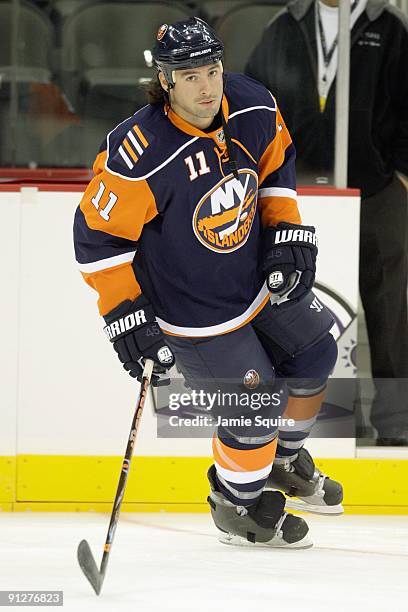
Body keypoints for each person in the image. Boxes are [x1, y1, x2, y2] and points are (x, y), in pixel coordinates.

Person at [73, 17, 342, 549]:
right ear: (166, 81)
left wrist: (284, 226)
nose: (207, 86)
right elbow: (96, 239)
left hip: (254, 281)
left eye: (213, 70)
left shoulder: (252, 105)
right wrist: (125, 313)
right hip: (193, 312)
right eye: (190, 75)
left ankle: (280, 462)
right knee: (256, 405)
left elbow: (276, 163)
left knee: (317, 354)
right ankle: (236, 503)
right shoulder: (139, 152)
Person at [245, 0, 408, 445]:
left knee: (388, 307)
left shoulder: (388, 26)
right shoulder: (286, 24)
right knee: (296, 302)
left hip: (375, 191)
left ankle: (397, 423)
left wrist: (399, 172)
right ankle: (306, 418)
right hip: (300, 193)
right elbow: (251, 104)